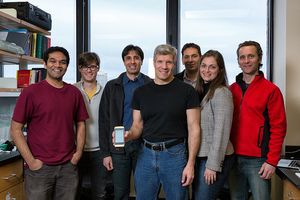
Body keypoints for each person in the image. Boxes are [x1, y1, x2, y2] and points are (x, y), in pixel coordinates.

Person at [10, 46, 89, 200]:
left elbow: (81, 124)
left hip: (68, 167)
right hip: (40, 168)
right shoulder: (31, 92)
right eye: (53, 61)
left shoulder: (74, 93)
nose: (57, 65)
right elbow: (15, 129)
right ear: (45, 64)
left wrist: (78, 153)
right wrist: (31, 162)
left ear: (67, 66)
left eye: (62, 62)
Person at [125, 44, 201, 200]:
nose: (164, 66)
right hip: (145, 155)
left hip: (175, 155)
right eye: (160, 62)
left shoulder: (187, 91)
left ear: (174, 63)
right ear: (154, 62)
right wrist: (128, 135)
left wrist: (190, 164)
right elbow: (137, 126)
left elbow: (194, 128)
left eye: (169, 62)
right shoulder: (141, 92)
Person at [229, 41, 287, 200]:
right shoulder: (231, 89)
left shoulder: (271, 90)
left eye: (251, 56)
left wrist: (272, 161)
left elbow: (279, 128)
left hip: (259, 160)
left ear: (259, 58)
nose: (246, 61)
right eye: (242, 57)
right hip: (232, 158)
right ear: (238, 61)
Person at [99, 44, 152, 200]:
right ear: (123, 61)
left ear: (141, 61)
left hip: (144, 145)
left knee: (145, 190)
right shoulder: (112, 86)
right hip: (119, 145)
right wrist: (105, 153)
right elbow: (104, 121)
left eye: (136, 58)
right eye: (128, 58)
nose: (132, 61)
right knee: (120, 192)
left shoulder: (150, 85)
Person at [192, 50, 234, 199]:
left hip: (213, 158)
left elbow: (221, 132)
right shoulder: (200, 90)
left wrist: (213, 166)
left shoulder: (222, 92)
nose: (206, 70)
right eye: (203, 66)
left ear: (220, 70)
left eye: (212, 67)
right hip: (201, 155)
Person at [74, 52, 108, 200]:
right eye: (85, 66)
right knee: (74, 191)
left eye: (93, 66)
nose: (89, 70)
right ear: (80, 69)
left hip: (99, 150)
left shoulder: (106, 91)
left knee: (99, 193)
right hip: (75, 150)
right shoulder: (72, 90)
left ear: (98, 68)